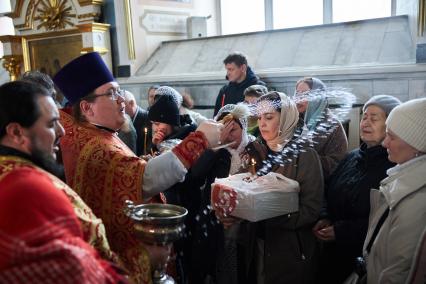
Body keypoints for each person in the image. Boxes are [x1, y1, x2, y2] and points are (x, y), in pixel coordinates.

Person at [52, 52, 222, 283]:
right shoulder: (95, 145)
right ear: (87, 107)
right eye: (111, 94)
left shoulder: (88, 132)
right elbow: (145, 179)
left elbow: (127, 170)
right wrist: (199, 140)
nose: (122, 100)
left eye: (119, 90)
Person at [0, 81, 124, 282]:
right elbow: (78, 272)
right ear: (16, 132)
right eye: (50, 124)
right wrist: (146, 257)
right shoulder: (26, 188)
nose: (62, 131)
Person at [219, 92, 323, 283]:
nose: (262, 124)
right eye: (259, 118)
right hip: (255, 245)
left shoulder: (305, 155)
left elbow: (311, 208)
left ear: (285, 117)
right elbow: (241, 190)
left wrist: (267, 213)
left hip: (289, 251)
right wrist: (231, 213)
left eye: (269, 117)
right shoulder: (255, 150)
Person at [313, 95, 401, 284]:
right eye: (364, 117)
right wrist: (324, 216)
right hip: (331, 254)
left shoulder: (393, 166)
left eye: (374, 118)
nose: (365, 122)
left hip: (363, 259)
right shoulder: (352, 157)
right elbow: (328, 189)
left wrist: (342, 231)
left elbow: (386, 219)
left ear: (390, 124)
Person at [362, 98, 426, 284]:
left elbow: (402, 270)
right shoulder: (402, 179)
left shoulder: (418, 200)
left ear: (416, 144)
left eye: (392, 136)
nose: (385, 143)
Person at [294, 77, 348, 178]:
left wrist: (303, 160)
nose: (299, 99)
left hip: (323, 180)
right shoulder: (294, 120)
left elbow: (337, 163)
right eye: (297, 93)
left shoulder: (332, 124)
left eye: (305, 94)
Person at [122, 90, 150, 156]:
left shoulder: (148, 118)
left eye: (122, 105)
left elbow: (149, 146)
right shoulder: (122, 120)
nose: (120, 108)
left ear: (131, 103)